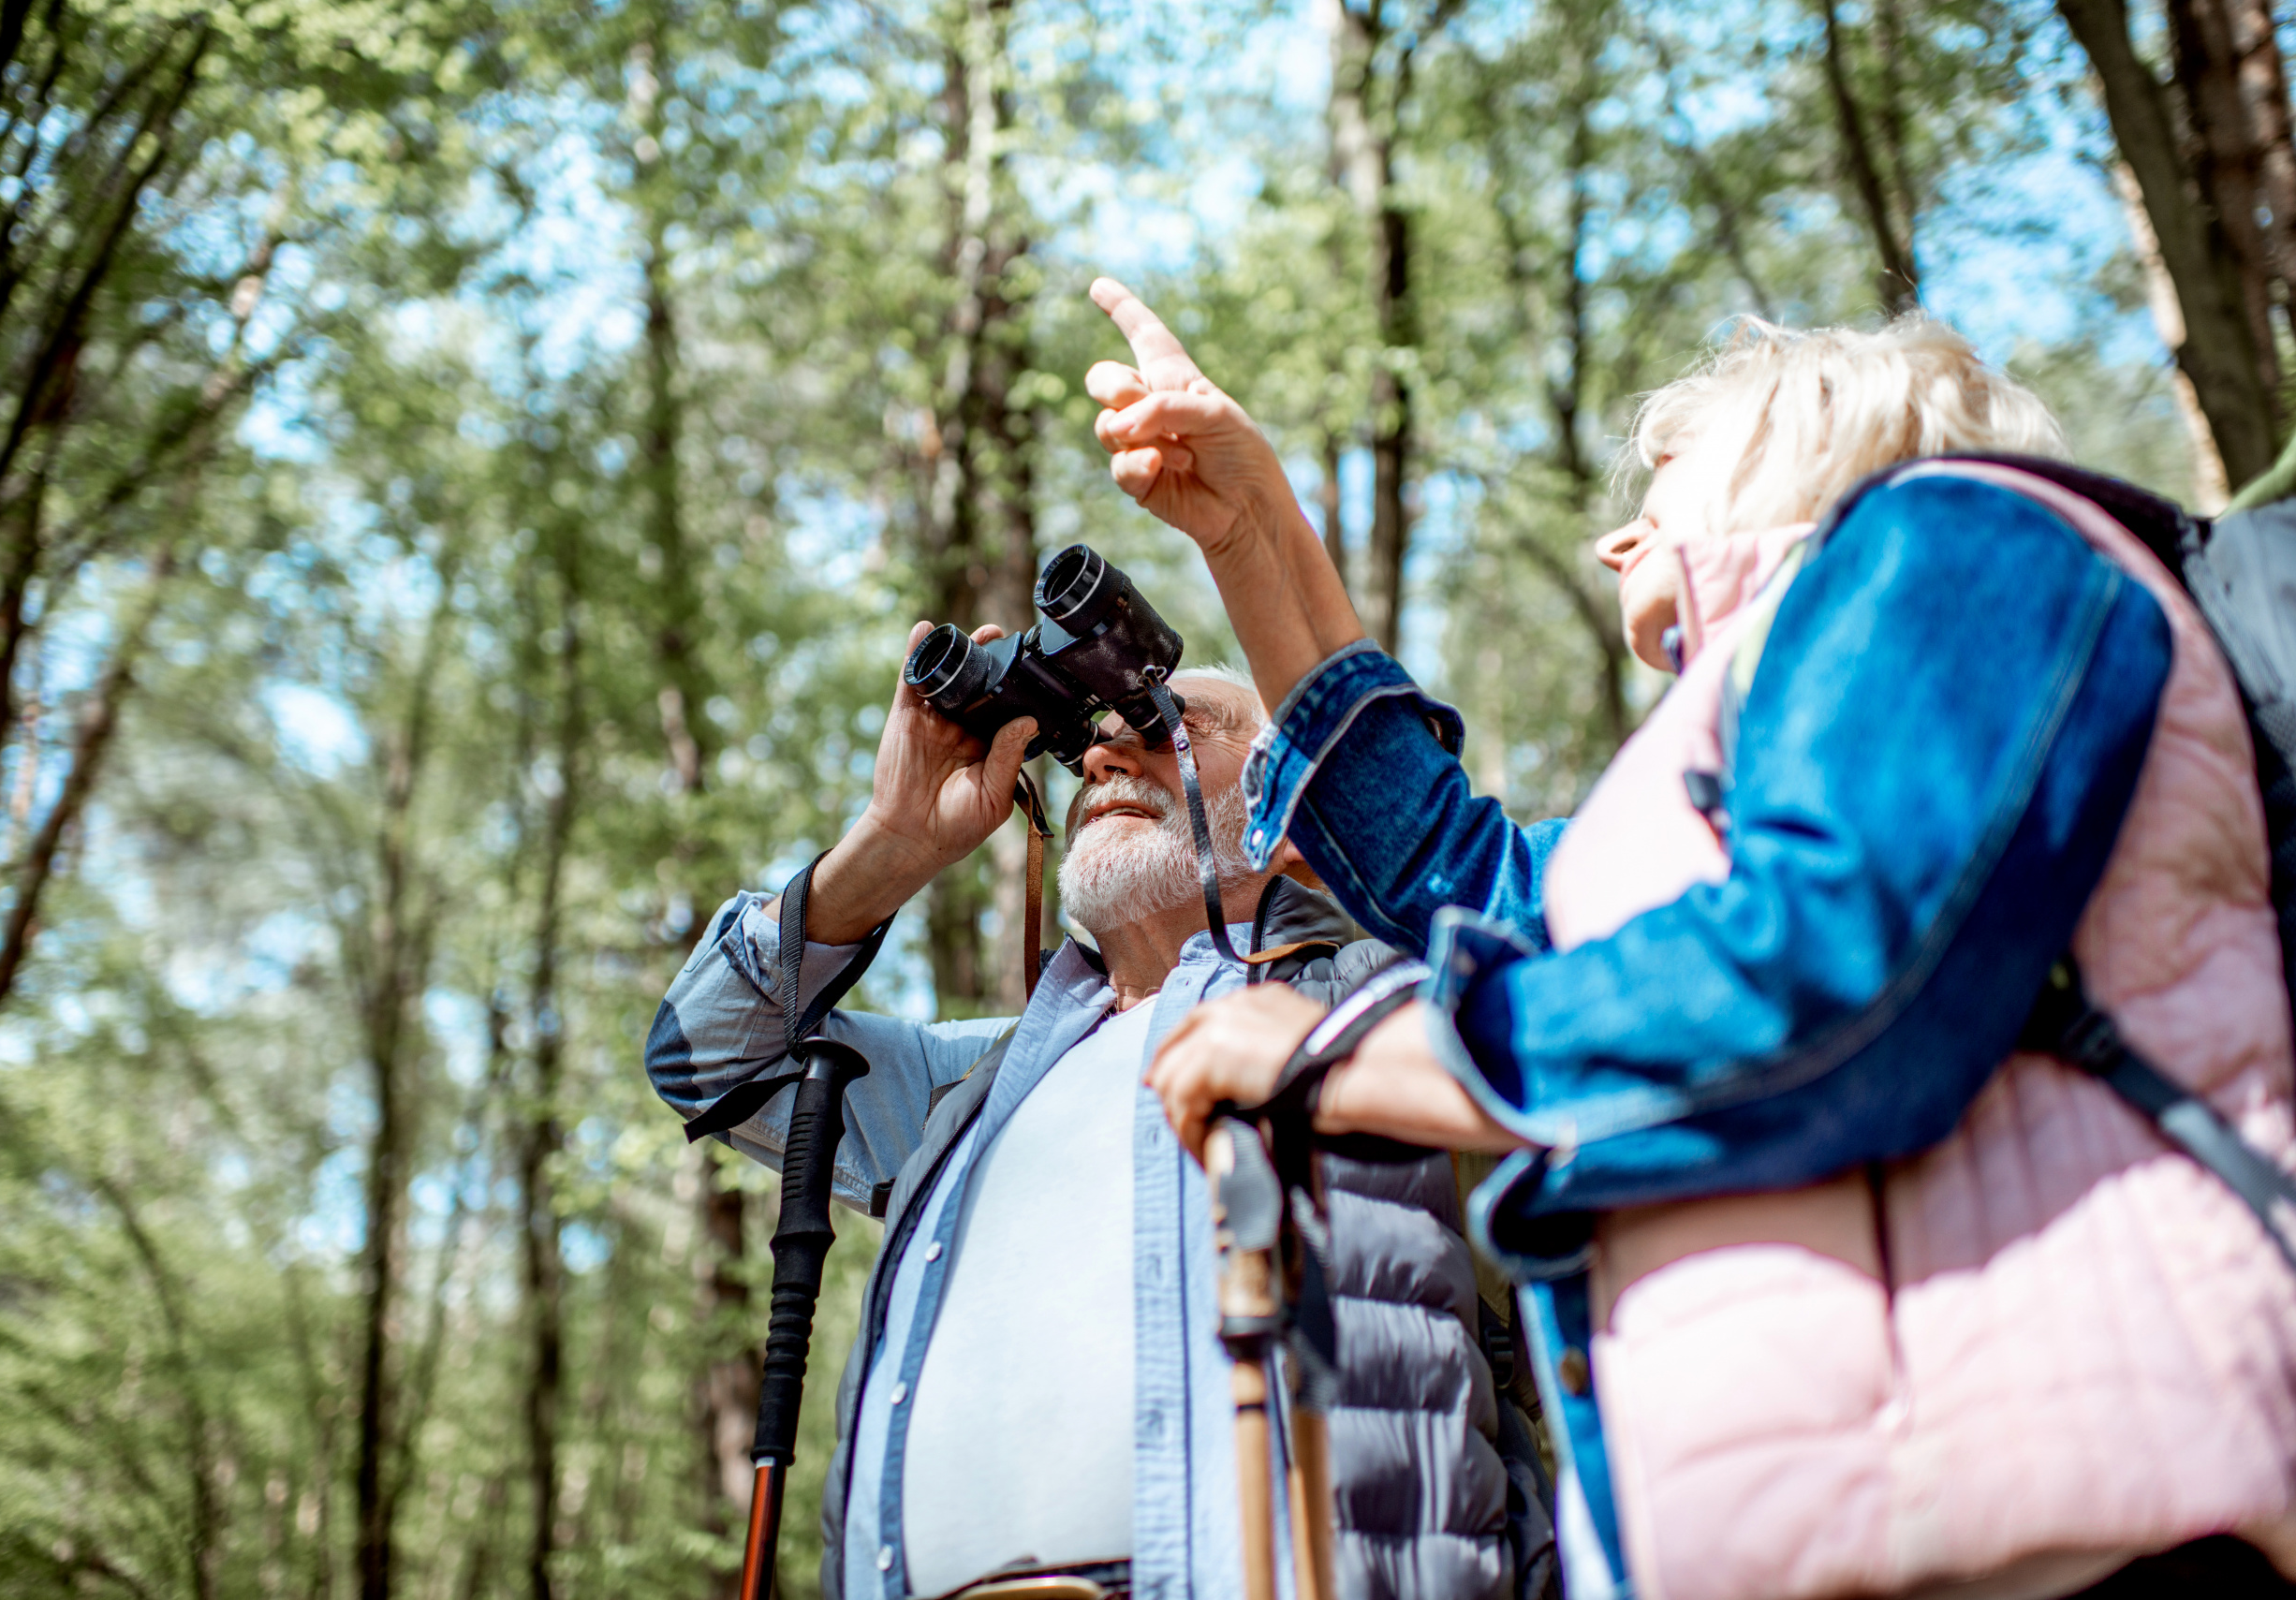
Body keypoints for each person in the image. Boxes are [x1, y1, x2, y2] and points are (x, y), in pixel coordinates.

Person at [1082, 287, 2296, 1600]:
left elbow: (1831, 967)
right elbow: (1462, 878)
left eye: (1661, 479)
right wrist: (1253, 524)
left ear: (1814, 428)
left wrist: (1350, 1059)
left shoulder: (1967, 535)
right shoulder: (1716, 778)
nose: (1614, 539)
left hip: (2100, 1537)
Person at [643, 636, 1553, 1600]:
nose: (1103, 757)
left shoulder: (1389, 1004)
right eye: (1092, 746)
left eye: (1169, 727)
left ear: (1297, 818)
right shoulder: (980, 1088)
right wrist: (892, 842)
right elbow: (706, 1054)